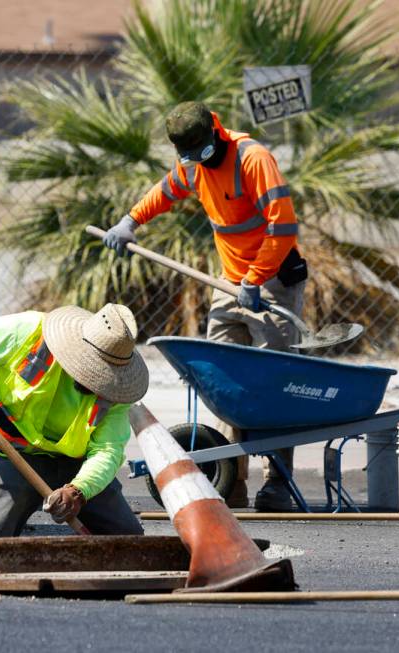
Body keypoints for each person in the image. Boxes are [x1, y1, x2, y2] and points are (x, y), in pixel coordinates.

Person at [102, 101, 308, 511]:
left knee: (274, 383)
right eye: (189, 156)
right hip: (229, 283)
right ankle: (231, 482)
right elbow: (166, 191)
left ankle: (277, 485)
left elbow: (282, 226)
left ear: (216, 130)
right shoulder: (193, 164)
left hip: (270, 282)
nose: (198, 161)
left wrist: (256, 278)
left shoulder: (253, 159)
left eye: (202, 151)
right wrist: (131, 221)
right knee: (224, 382)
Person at [0, 303, 148, 537]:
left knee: (126, 537)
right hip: (4, 448)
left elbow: (107, 451)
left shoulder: (118, 389)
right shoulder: (31, 332)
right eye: (93, 370)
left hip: (71, 463)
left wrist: (78, 490)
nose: (97, 379)